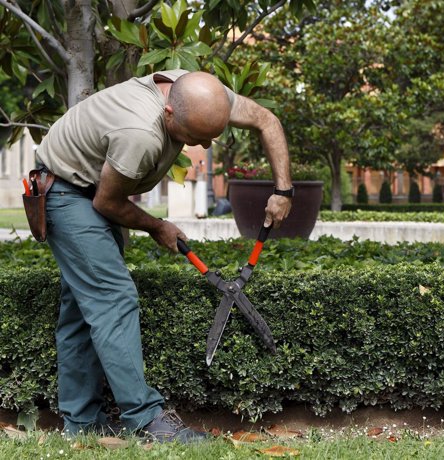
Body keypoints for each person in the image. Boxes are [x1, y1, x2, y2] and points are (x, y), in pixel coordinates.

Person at [35, 70, 293, 443]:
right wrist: (157, 226)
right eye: (196, 138)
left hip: (88, 186)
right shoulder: (139, 133)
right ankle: (145, 419)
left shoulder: (202, 94)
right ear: (169, 112)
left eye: (211, 138)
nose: (204, 147)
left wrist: (284, 190)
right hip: (66, 192)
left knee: (81, 306)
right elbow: (107, 202)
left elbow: (267, 120)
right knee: (113, 297)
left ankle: (81, 421)